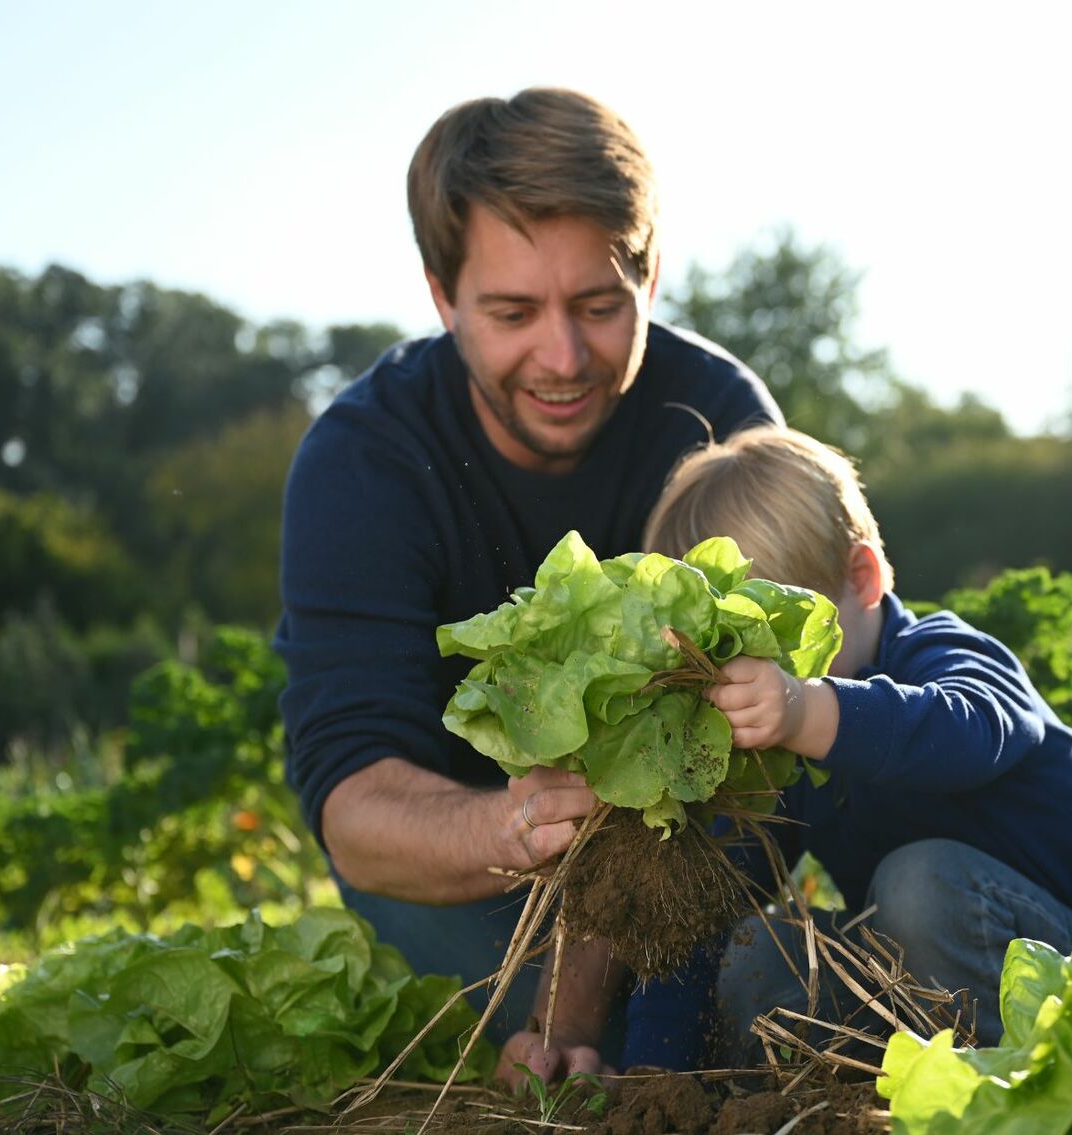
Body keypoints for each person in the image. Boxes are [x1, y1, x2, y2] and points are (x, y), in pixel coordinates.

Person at [272, 88, 781, 1081]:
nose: (563, 357)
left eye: (599, 307)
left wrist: (572, 1002)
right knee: (651, 1036)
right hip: (471, 874)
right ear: (442, 297)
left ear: (650, 277)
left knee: (725, 1008)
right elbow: (357, 807)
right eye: (512, 313)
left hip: (686, 868)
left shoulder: (719, 423)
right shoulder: (363, 461)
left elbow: (754, 752)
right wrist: (522, 827)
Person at [640, 427, 1072, 1064]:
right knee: (759, 952)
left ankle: (1013, 1082)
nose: (761, 679)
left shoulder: (942, 653)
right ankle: (846, 1088)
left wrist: (805, 707)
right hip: (936, 983)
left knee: (917, 887)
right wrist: (650, 1068)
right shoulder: (783, 752)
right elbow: (707, 906)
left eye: (778, 645)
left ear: (861, 578)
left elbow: (972, 730)